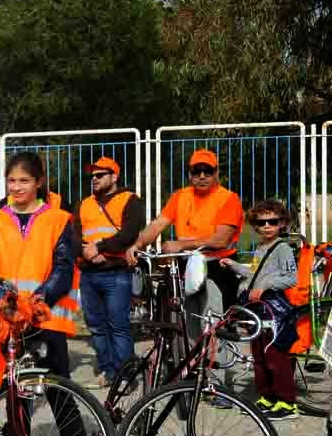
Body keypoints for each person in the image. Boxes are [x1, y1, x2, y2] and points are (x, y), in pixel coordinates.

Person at [0, 152, 95, 436]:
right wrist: (5, 296)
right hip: (8, 320)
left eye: (24, 181)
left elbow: (62, 267)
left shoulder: (59, 220)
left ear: (39, 182)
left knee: (59, 391)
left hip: (46, 318)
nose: (16, 187)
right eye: (12, 181)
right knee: (16, 393)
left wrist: (37, 300)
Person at [126, 148, 243, 404]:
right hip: (184, 268)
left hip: (215, 268)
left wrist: (182, 244)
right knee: (188, 326)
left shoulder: (228, 198)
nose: (201, 176)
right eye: (196, 171)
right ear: (190, 173)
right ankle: (193, 380)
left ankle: (218, 386)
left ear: (216, 173)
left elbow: (221, 238)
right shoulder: (180, 196)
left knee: (212, 325)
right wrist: (137, 244)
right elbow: (157, 225)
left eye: (207, 171)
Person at [221, 200, 303, 420]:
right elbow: (254, 274)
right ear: (255, 225)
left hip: (273, 309)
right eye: (261, 222)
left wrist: (265, 286)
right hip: (258, 309)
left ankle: (287, 402)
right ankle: (268, 396)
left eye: (272, 221)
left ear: (282, 223)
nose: (267, 226)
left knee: (275, 355)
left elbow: (291, 278)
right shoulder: (261, 248)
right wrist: (234, 265)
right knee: (259, 354)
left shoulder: (282, 248)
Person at [72, 157, 146, 390]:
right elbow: (73, 236)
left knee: (118, 325)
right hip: (89, 273)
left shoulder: (130, 200)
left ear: (114, 177)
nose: (94, 179)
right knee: (95, 326)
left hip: (116, 272)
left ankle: (125, 375)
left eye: (100, 174)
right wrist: (87, 252)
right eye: (92, 175)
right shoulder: (83, 204)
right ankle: (108, 371)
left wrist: (100, 247)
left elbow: (130, 233)